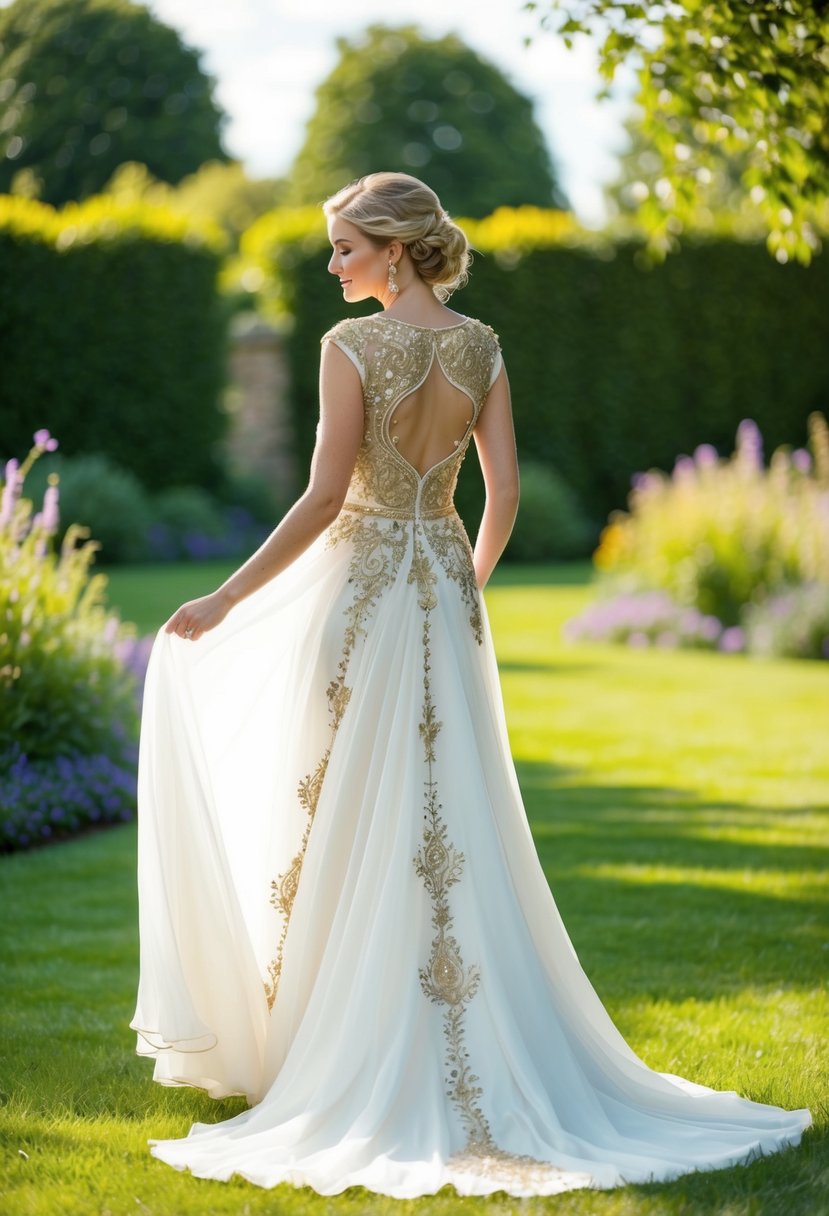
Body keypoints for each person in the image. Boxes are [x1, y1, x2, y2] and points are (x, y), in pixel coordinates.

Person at [131, 172, 810, 1199]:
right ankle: (422, 1031)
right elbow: (500, 492)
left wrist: (224, 597)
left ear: (394, 252)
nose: (334, 266)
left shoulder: (348, 348)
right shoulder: (481, 345)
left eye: (346, 249)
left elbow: (322, 498)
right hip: (442, 591)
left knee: (350, 805)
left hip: (361, 591)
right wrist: (466, 582)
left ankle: (349, 1043)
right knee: (448, 808)